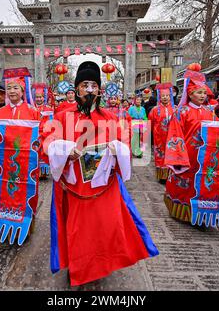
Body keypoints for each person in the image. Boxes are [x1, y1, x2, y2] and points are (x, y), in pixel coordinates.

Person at [45, 61, 158, 286]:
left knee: (104, 229)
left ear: (99, 90)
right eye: (84, 84)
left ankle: (101, 264)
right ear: (76, 88)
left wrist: (118, 149)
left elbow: (126, 141)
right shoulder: (62, 115)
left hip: (104, 186)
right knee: (78, 231)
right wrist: (67, 150)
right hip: (75, 186)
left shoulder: (110, 118)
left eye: (93, 85)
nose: (89, 89)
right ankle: (79, 267)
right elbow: (46, 141)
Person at [0, 76, 41, 242]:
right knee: (6, 192)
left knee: (28, 194)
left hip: (27, 163)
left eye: (16, 88)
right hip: (5, 163)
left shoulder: (32, 111)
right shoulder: (0, 112)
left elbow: (40, 136)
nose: (12, 91)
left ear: (22, 91)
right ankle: (7, 220)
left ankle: (27, 224)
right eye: (9, 88)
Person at [164, 78, 216, 229]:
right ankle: (183, 214)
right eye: (199, 92)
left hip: (206, 156)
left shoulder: (209, 112)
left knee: (202, 184)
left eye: (204, 93)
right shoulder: (182, 111)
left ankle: (200, 214)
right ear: (190, 94)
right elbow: (175, 134)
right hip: (187, 154)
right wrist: (178, 156)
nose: (202, 96)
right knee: (185, 185)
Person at [148, 83, 175, 183]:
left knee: (171, 154)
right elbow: (150, 123)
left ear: (170, 96)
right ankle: (162, 176)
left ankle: (171, 174)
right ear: (159, 97)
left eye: (167, 96)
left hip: (172, 137)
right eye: (163, 96)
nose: (165, 98)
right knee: (160, 156)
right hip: (159, 137)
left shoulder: (175, 109)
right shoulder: (155, 110)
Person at [33, 83, 54, 180]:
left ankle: (43, 173)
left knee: (43, 153)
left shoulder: (49, 109)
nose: (39, 99)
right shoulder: (31, 108)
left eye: (41, 97)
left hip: (45, 135)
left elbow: (51, 123)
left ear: (44, 97)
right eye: (37, 97)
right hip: (34, 134)